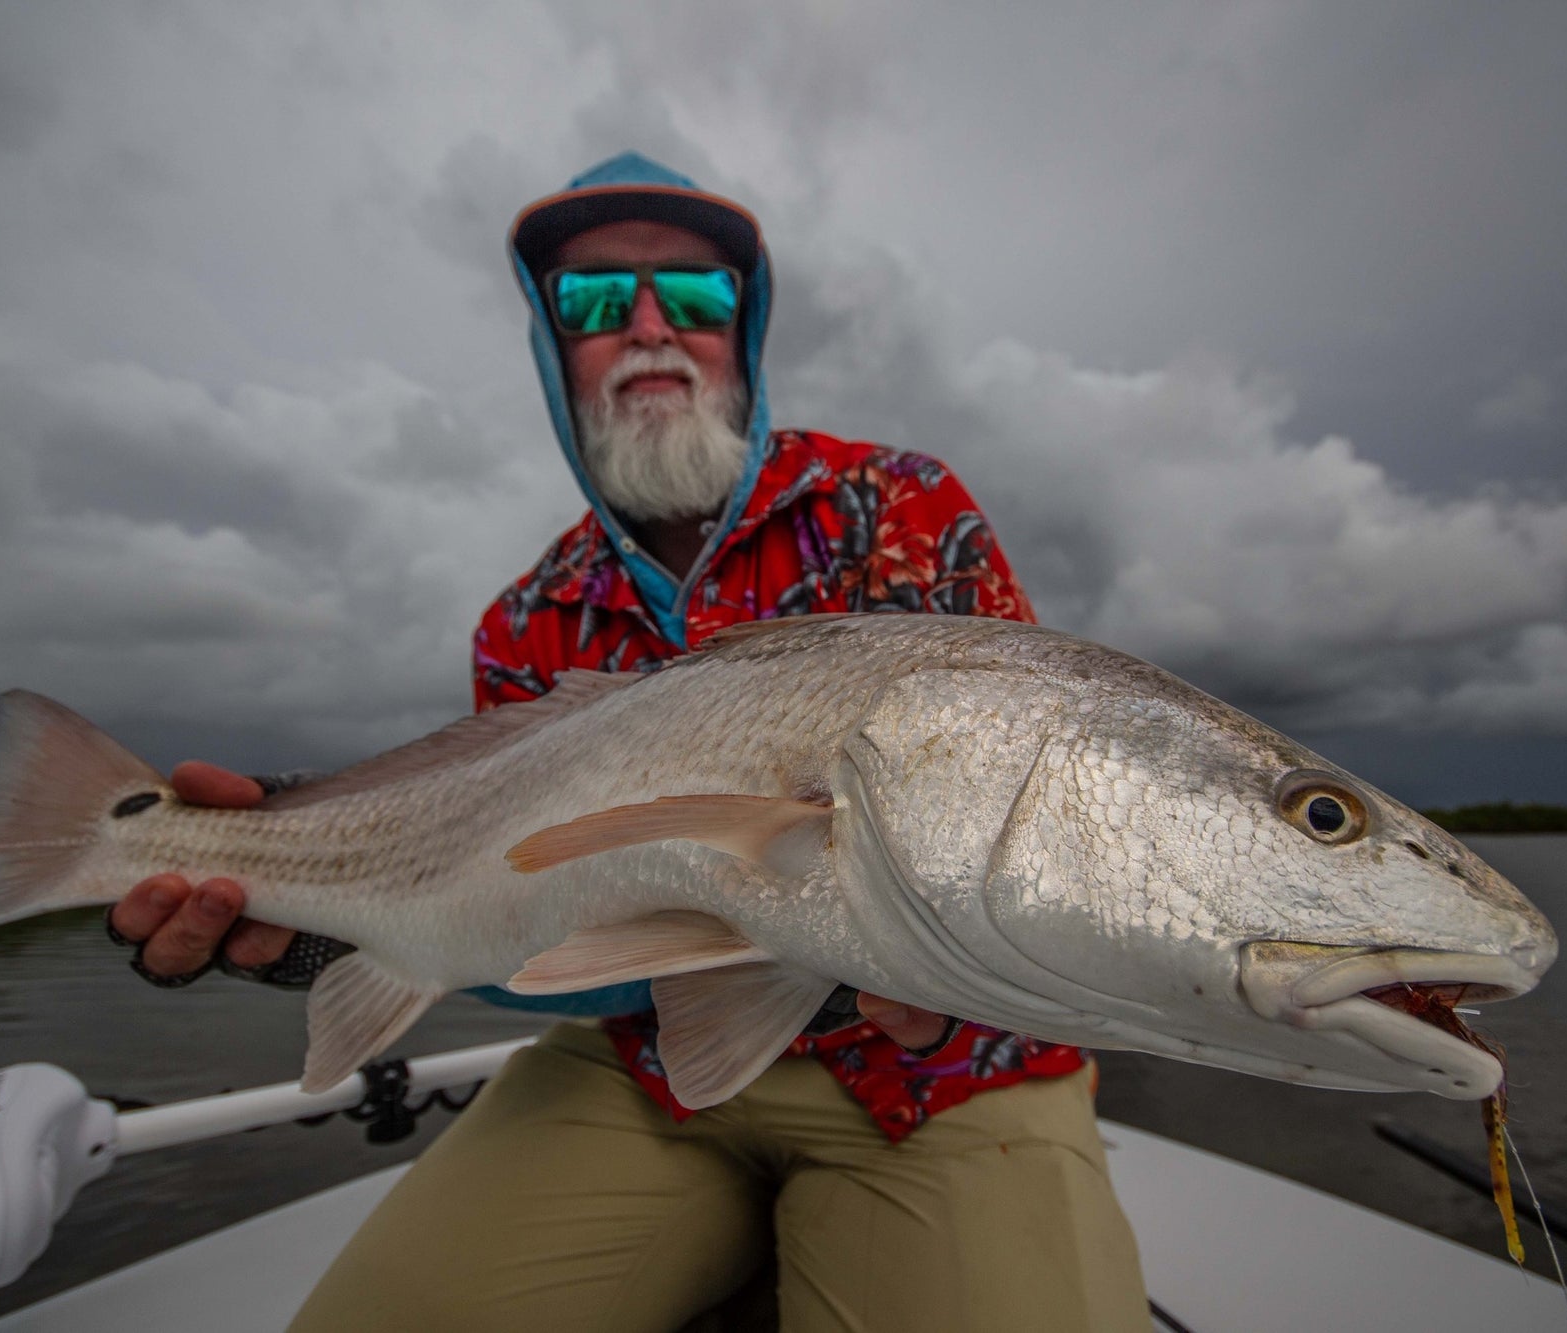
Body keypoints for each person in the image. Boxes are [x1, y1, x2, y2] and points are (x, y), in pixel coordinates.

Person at [107, 153, 1151, 1332]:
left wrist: (947, 978)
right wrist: (322, 921)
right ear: (555, 350)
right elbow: (533, 928)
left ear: (741, 329)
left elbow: (1036, 817)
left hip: (947, 1080)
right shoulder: (526, 616)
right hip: (647, 1066)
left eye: (694, 297)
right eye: (596, 301)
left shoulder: (903, 507)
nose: (650, 329)